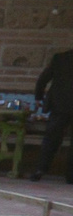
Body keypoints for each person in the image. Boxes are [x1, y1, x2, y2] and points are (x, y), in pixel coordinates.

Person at [36, 49, 73, 181]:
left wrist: (38, 97)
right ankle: (70, 176)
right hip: (61, 105)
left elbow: (44, 78)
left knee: (51, 139)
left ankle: (41, 169)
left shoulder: (60, 58)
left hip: (59, 105)